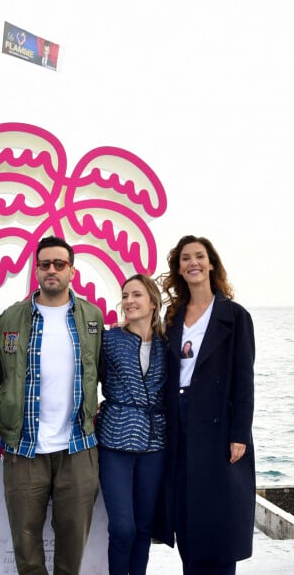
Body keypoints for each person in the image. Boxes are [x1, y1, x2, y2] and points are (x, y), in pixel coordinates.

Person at [0, 235, 103, 575]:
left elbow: (104, 371)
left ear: (72, 271)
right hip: (24, 447)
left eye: (59, 264)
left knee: (73, 547)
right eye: (44, 264)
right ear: (35, 270)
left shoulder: (92, 317)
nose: (51, 270)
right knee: (26, 548)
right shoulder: (10, 319)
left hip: (78, 447)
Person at [156, 235, 256, 575]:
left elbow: (244, 379)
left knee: (218, 516)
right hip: (179, 421)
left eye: (199, 256)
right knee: (186, 511)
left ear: (211, 263)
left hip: (218, 424)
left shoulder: (235, 316)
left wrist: (239, 432)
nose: (193, 263)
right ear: (179, 269)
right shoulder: (173, 316)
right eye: (186, 258)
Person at [95, 274, 167, 575]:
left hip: (155, 442)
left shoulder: (169, 343)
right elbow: (89, 380)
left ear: (153, 302)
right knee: (123, 528)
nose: (128, 302)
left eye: (136, 295)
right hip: (115, 440)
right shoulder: (109, 339)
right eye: (125, 295)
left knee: (143, 528)